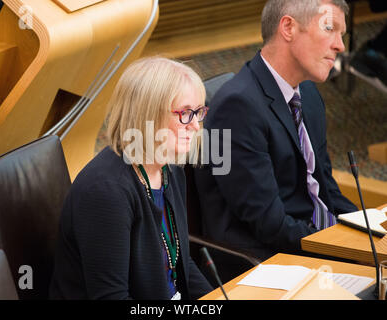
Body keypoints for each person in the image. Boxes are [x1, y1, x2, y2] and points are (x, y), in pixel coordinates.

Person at [194, 0, 358, 264]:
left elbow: (325, 189)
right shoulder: (237, 106)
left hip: (311, 240)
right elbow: (268, 224)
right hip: (268, 261)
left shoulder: (308, 95)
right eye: (330, 28)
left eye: (342, 34)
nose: (340, 45)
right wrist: (341, 247)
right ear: (288, 28)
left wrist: (371, 233)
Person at [50, 57, 212, 300]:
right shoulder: (106, 192)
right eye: (185, 114)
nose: (196, 127)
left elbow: (180, 260)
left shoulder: (170, 168)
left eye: (198, 113)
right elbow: (111, 297)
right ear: (148, 116)